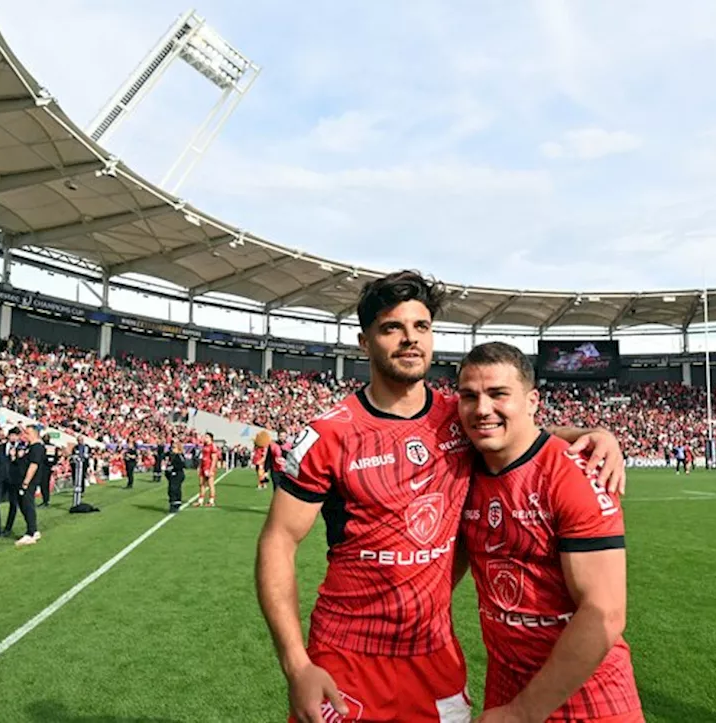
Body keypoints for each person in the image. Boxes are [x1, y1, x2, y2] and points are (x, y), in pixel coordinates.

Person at [256, 271, 626, 723]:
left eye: (421, 327)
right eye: (392, 328)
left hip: (435, 658)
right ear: (364, 342)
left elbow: (521, 434)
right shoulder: (329, 434)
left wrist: (594, 434)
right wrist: (297, 666)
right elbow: (278, 542)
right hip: (347, 654)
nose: (410, 340)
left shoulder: (460, 417)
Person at [456, 342, 642, 722]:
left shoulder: (575, 475)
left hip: (589, 699)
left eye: (498, 394)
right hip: (505, 690)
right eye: (469, 396)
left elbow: (605, 613)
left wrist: (524, 713)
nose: (482, 408)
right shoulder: (463, 462)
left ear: (532, 401)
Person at [12, 427, 44, 547]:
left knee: (27, 505)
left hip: (28, 482)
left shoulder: (37, 448)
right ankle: (33, 530)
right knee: (24, 505)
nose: (25, 435)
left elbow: (33, 465)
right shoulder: (29, 447)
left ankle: (30, 533)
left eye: (28, 433)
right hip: (22, 480)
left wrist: (26, 482)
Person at [0, 427, 21, 536]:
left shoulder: (21, 448)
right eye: (12, 435)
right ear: (8, 436)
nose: (13, 437)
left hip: (14, 480)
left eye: (16, 435)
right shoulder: (0, 448)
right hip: (0, 479)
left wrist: (14, 457)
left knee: (13, 504)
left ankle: (8, 528)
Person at [196, 432, 220, 507]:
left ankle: (211, 501)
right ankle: (200, 500)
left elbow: (214, 459)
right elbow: (202, 457)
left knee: (210, 484)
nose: (205, 438)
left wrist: (211, 469)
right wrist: (199, 467)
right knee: (201, 484)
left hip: (209, 467)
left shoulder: (212, 446)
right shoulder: (204, 446)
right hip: (203, 466)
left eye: (206, 437)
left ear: (210, 438)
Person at [164, 438, 186, 513]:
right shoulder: (170, 455)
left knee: (174, 489)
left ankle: (175, 504)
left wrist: (173, 467)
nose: (172, 449)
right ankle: (174, 503)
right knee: (171, 489)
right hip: (171, 474)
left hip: (178, 474)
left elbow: (182, 464)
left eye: (174, 447)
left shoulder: (179, 455)